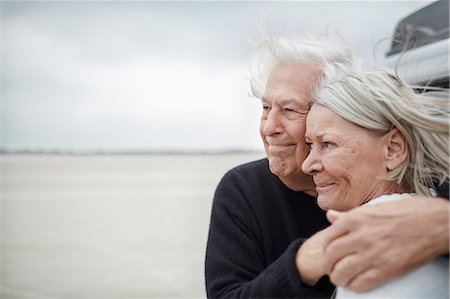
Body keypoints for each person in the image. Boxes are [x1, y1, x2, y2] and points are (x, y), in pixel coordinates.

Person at [204, 36, 449, 298]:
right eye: (265, 108)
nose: (268, 128)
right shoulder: (245, 189)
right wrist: (305, 261)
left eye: (289, 109)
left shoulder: (435, 184)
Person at [300, 69, 449, 298]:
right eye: (310, 144)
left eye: (328, 143)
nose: (307, 165)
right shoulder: (428, 234)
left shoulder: (377, 254)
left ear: (393, 149)